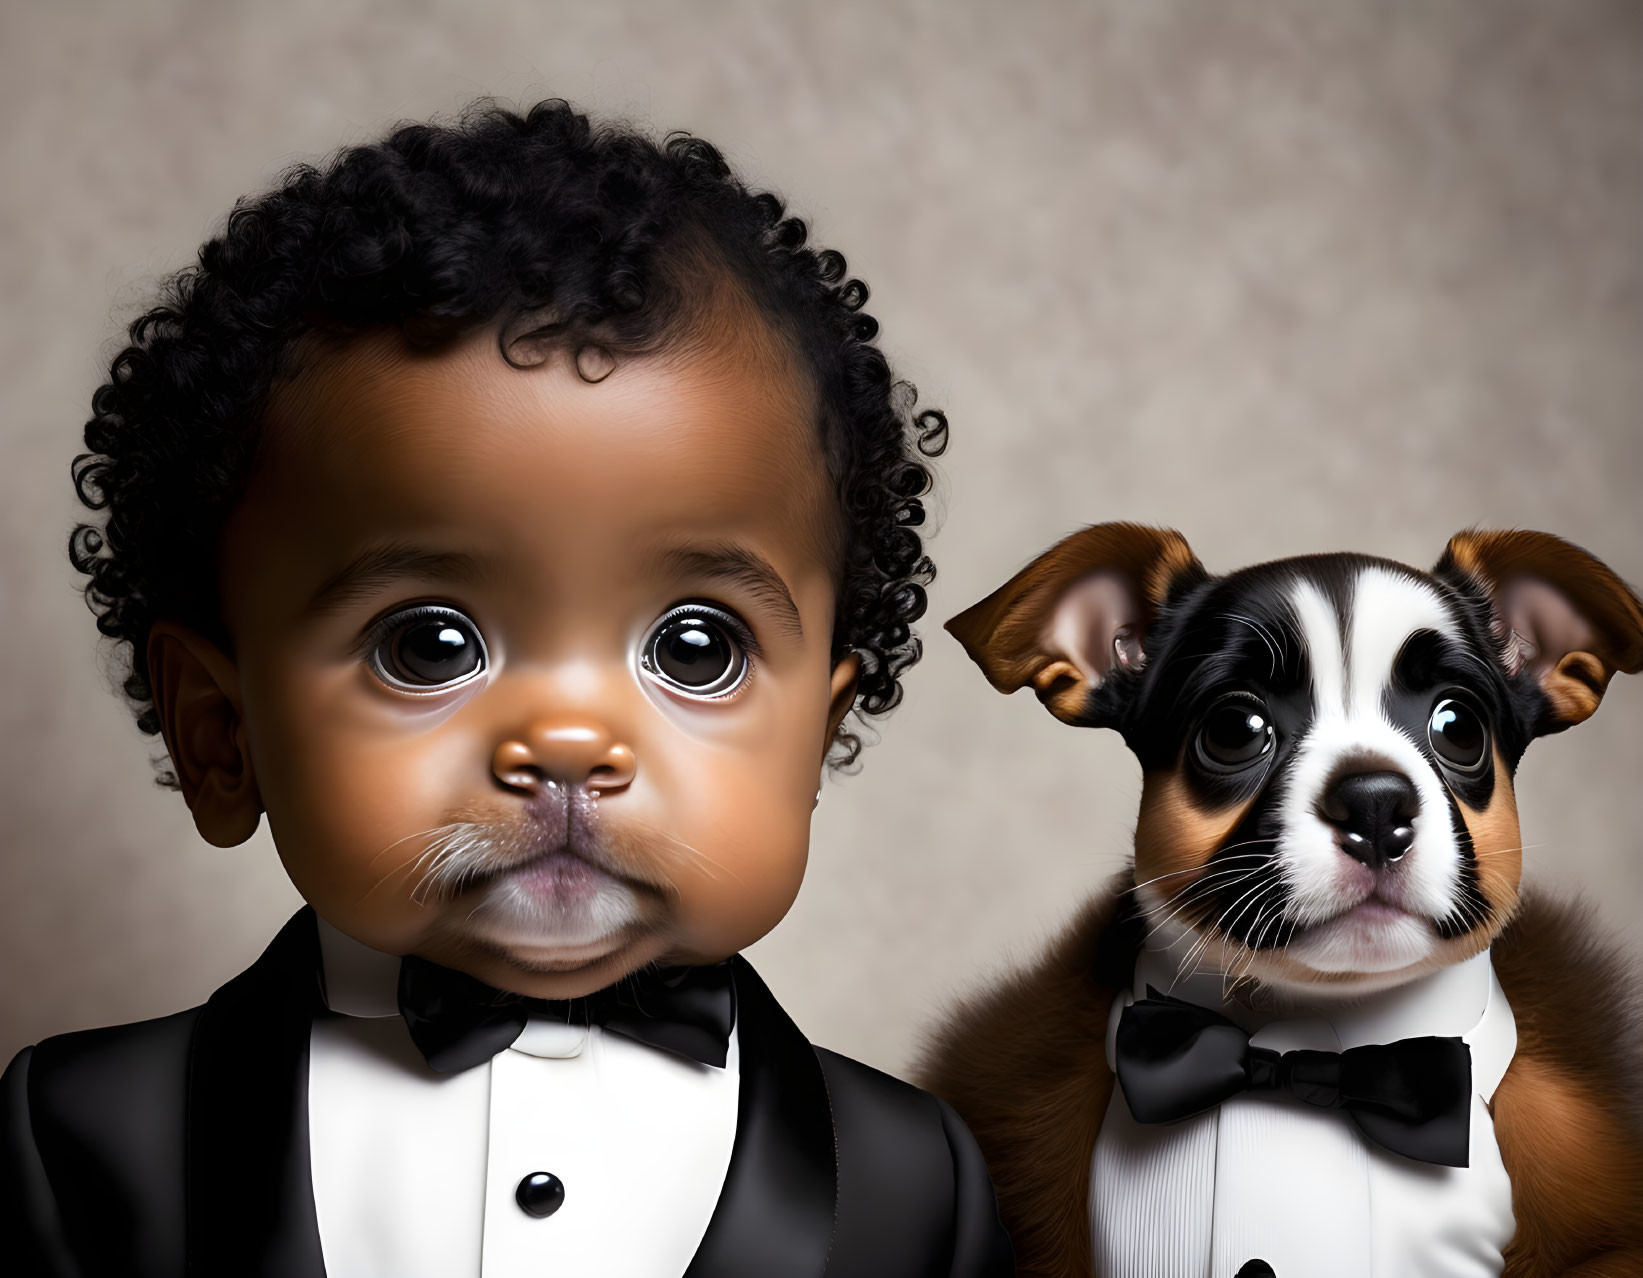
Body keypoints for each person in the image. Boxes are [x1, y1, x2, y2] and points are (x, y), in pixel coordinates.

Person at [1, 98, 1014, 1278]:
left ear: (813, 738)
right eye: (427, 644)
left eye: (696, 649)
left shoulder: (914, 1181)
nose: (572, 740)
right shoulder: (85, 1140)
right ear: (221, 734)